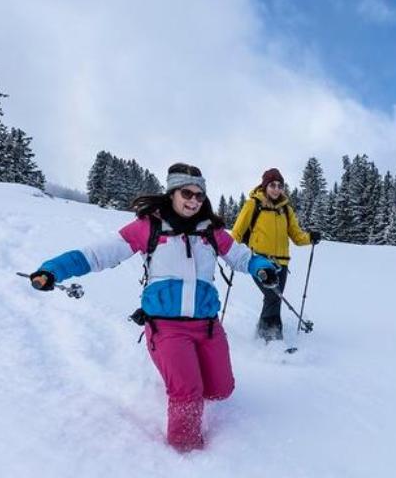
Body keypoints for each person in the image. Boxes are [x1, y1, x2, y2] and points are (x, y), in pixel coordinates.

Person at [29, 163, 278, 452]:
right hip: (166, 327)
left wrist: (262, 267)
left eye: (200, 196)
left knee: (221, 390)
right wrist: (53, 270)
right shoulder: (149, 227)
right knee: (188, 393)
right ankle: (184, 455)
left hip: (207, 325)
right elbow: (98, 254)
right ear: (172, 192)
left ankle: (186, 375)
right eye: (187, 193)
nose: (194, 200)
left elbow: (242, 257)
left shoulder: (211, 232)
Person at [231, 167, 321, 340]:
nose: (276, 189)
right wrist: (231, 253)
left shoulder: (286, 209)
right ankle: (271, 337)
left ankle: (263, 333)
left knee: (274, 299)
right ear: (265, 186)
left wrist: (310, 237)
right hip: (259, 260)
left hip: (282, 263)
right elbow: (237, 232)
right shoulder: (253, 204)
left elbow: (297, 236)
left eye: (280, 185)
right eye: (272, 185)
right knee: (272, 296)